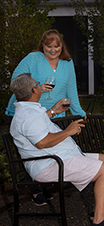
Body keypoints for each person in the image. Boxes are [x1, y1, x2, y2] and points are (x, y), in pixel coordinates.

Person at [9, 73, 104, 226]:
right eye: (37, 85)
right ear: (33, 91)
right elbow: (42, 142)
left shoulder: (27, 111)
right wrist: (68, 131)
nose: (39, 86)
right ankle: (99, 221)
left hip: (58, 158)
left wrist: (53, 111)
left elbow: (35, 124)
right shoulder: (28, 115)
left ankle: (101, 207)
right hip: (49, 164)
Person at [5, 29, 86, 206]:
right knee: (31, 151)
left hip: (54, 113)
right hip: (27, 111)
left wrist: (79, 111)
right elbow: (16, 81)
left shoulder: (67, 62)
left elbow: (71, 89)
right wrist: (38, 88)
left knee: (49, 150)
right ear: (42, 45)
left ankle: (42, 183)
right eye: (49, 46)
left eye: (56, 47)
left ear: (61, 46)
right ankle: (35, 190)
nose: (52, 50)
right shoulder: (32, 58)